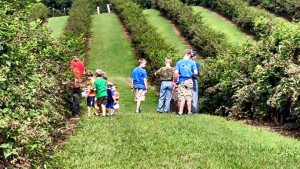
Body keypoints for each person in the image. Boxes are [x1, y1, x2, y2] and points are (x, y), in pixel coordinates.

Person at [174, 49, 198, 115]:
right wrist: (191, 73)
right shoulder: (193, 62)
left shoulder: (179, 62)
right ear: (190, 54)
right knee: (189, 96)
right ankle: (189, 112)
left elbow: (176, 73)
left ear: (184, 54)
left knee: (182, 97)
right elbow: (196, 72)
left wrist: (175, 81)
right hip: (189, 80)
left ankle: (180, 112)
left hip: (181, 80)